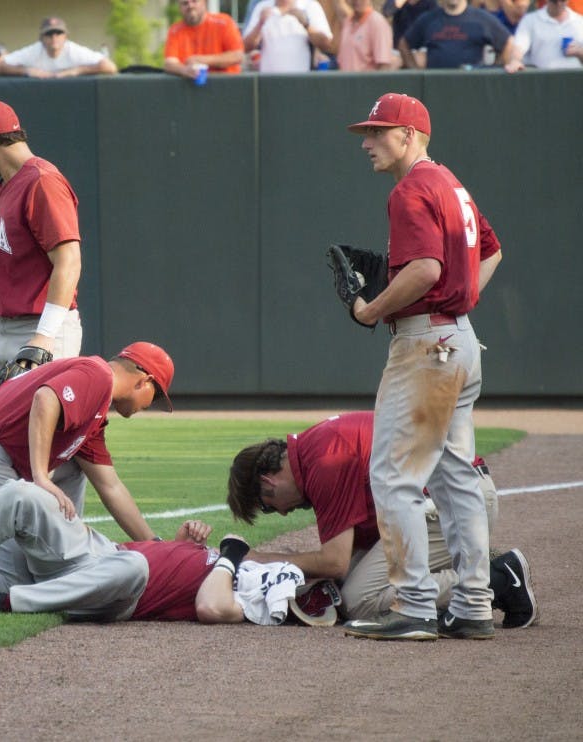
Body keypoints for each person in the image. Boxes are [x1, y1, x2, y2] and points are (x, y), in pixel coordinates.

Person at [336, 93, 504, 641]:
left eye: (378, 132)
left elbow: (427, 267)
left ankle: (413, 606)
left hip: (426, 346)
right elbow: (491, 252)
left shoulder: (410, 189)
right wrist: (461, 299)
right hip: (461, 342)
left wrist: (371, 309)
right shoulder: (450, 184)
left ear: (409, 135)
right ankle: (474, 604)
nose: (367, 143)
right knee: (457, 479)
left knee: (393, 477)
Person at [226, 412, 538, 629]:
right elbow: (345, 562)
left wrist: (260, 559)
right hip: (449, 499)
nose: (281, 513)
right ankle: (475, 568)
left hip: (457, 505)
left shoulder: (323, 461)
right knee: (351, 583)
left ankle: (495, 578)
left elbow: (334, 562)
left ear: (269, 482)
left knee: (359, 599)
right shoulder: (314, 451)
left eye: (267, 507)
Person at [0, 341, 175, 594]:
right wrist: (41, 476)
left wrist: (156, 547)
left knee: (40, 571)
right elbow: (45, 399)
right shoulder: (98, 375)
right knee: (12, 582)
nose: (150, 404)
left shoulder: (94, 415)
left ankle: (64, 545)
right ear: (145, 380)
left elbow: (111, 486)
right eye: (156, 395)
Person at [0, 478, 254, 624]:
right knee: (14, 504)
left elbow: (212, 607)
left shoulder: (239, 583)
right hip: (91, 559)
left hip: (109, 585)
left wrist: (231, 557)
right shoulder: (223, 567)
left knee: (25, 496)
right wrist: (179, 545)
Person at [0, 100, 84, 419]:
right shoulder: (6, 183)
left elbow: (69, 260)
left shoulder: (41, 180)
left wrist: (44, 335)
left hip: (37, 324)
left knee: (38, 441)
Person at [399, 0, 514, 68]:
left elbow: (507, 42)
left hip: (471, 84)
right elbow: (404, 44)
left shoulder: (481, 18)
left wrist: (495, 68)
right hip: (435, 84)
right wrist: (414, 70)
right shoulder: (428, 19)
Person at [0, 17, 117, 78]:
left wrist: (76, 70)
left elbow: (110, 67)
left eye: (58, 33)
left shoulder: (73, 50)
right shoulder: (34, 51)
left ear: (65, 36)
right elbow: (0, 66)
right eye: (49, 33)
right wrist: (27, 71)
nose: (54, 37)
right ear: (42, 37)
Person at [243, 0, 335, 72]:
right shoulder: (262, 7)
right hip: (268, 82)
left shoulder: (310, 6)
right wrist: (260, 24)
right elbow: (245, 47)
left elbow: (326, 43)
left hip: (302, 81)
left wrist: (306, 25)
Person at [163, 0, 244, 80]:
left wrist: (202, 60)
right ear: (179, 7)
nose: (190, 6)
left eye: (194, 1)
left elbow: (237, 55)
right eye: (185, 3)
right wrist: (184, 70)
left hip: (226, 84)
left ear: (204, 2)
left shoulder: (224, 22)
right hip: (191, 86)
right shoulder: (175, 30)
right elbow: (169, 63)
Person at [504, 0, 583, 71]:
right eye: (554, 1)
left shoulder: (580, 21)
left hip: (575, 81)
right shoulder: (530, 20)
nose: (559, 4)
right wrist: (515, 61)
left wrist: (580, 52)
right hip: (543, 81)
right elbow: (519, 47)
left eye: (562, 0)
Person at [330, 0, 396, 70]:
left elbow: (384, 65)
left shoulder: (377, 22)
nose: (357, 1)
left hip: (367, 80)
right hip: (346, 79)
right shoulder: (347, 23)